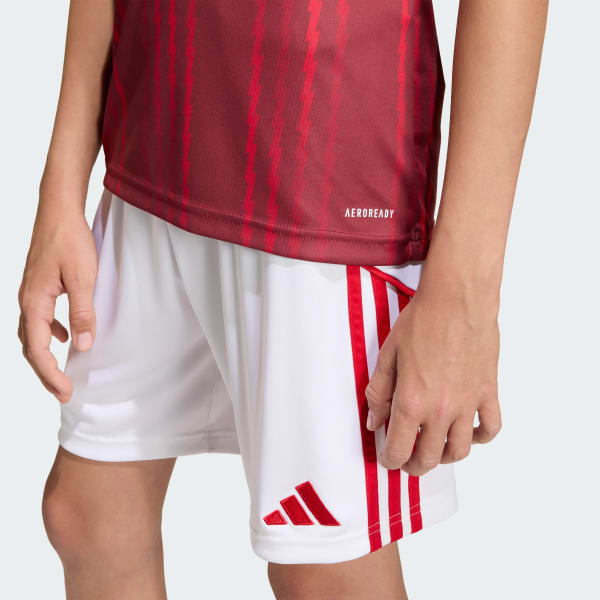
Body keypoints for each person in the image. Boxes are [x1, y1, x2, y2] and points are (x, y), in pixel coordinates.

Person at [17, 1, 548, 598]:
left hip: (324, 180)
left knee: (324, 570)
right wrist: (61, 186)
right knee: (88, 517)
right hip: (152, 133)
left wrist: (464, 299)